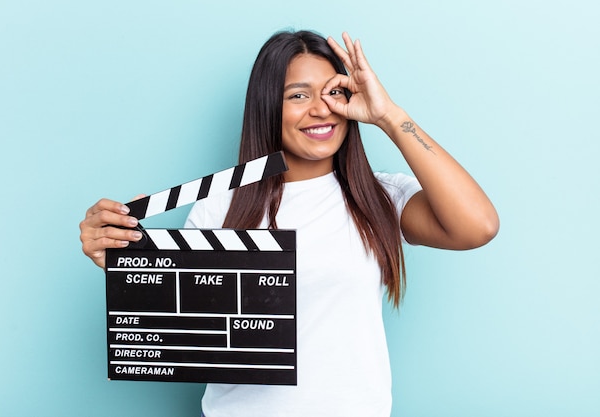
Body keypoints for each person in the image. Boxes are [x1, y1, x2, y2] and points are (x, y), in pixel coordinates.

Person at [80, 30, 499, 417]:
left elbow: (478, 225)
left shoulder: (380, 198)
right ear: (268, 106)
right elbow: (185, 326)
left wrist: (389, 115)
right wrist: (124, 259)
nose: (321, 109)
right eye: (298, 95)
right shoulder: (219, 207)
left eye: (334, 92)